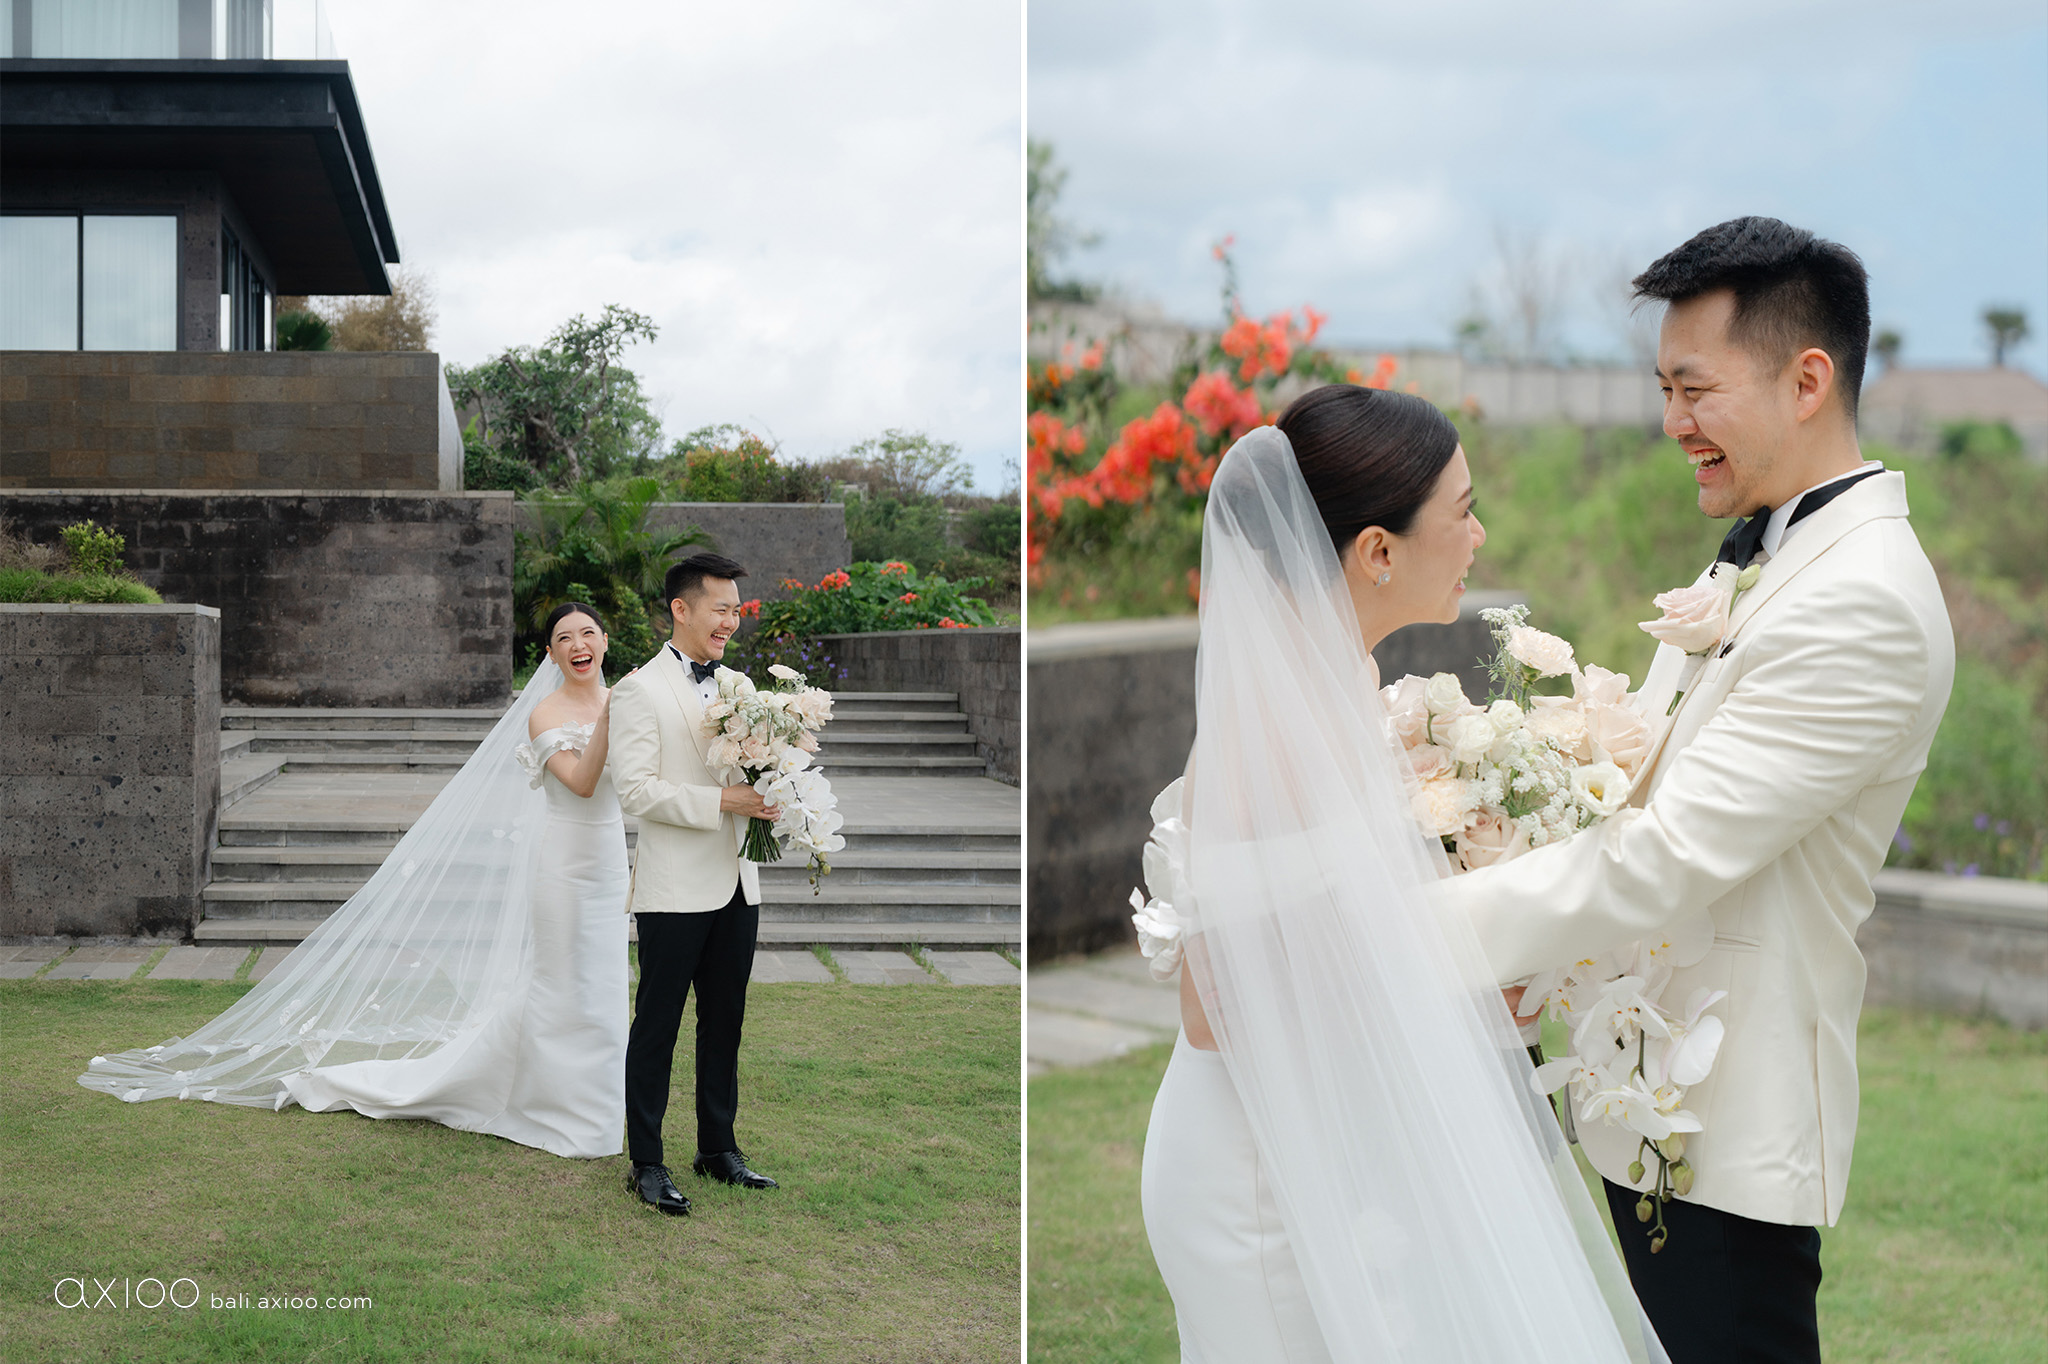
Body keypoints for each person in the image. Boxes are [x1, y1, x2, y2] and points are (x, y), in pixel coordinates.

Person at [1432, 217, 1955, 1364]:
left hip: (1727, 1136)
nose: (1671, 422)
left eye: (1691, 387)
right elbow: (1634, 805)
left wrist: (1413, 930)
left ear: (1806, 378)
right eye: (1662, 388)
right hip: (1643, 1107)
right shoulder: (1765, 554)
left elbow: (1664, 853)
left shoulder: (1857, 599)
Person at [1136, 386, 1666, 1362]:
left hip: (1321, 1131)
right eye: (1460, 512)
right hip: (1257, 1171)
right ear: (1378, 550)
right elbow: (1215, 1001)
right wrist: (1456, 986)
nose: (1478, 535)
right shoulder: (1269, 732)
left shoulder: (1341, 680)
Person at [77, 606, 633, 1162]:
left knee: (605, 982)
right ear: (550, 655)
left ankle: (599, 1107)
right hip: (563, 867)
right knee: (560, 983)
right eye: (564, 638)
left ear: (605, 642)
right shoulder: (544, 715)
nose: (578, 644)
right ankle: (554, 1108)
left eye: (587, 633)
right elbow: (583, 783)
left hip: (610, 861)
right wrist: (611, 722)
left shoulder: (624, 705)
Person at [609, 553, 782, 1217]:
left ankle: (718, 1149)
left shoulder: (740, 685)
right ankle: (647, 1163)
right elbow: (636, 791)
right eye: (720, 609)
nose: (731, 622)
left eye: (736, 610)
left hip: (739, 883)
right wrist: (724, 803)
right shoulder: (638, 690)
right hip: (675, 888)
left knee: (726, 1023)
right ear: (681, 609)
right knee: (656, 1026)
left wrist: (776, 795)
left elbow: (759, 769)